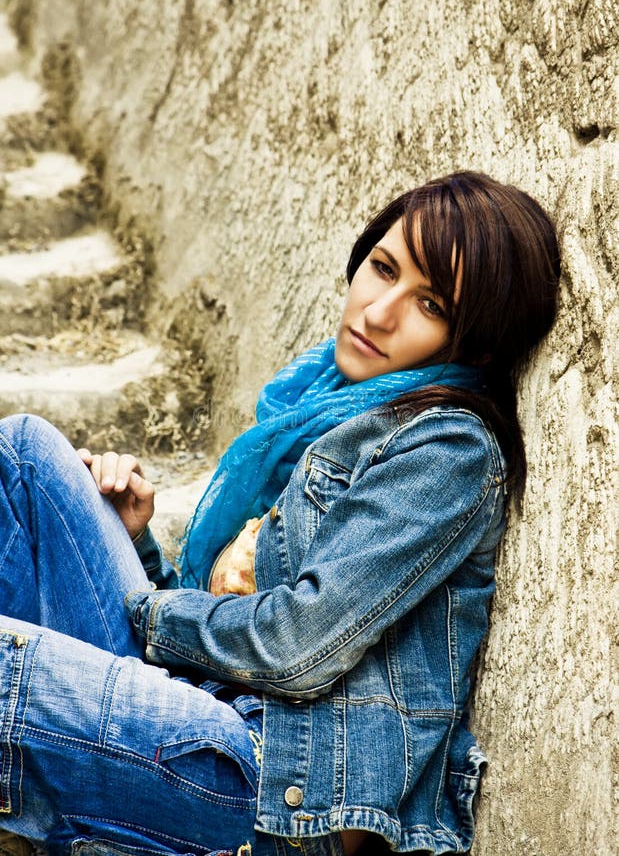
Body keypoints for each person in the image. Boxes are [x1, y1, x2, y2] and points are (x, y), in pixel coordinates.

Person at [0, 171, 560, 856]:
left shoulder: (447, 445)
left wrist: (139, 610)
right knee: (24, 455)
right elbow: (233, 617)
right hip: (207, 702)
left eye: (430, 305)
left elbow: (294, 646)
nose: (379, 311)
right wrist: (138, 546)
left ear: (474, 342)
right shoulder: (321, 407)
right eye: (381, 269)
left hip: (277, 788)